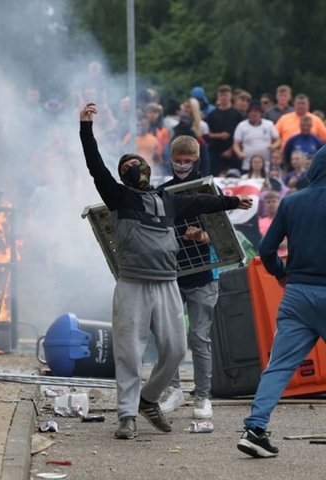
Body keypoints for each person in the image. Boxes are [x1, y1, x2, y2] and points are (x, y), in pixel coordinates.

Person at [79, 103, 253, 440]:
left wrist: (233, 201)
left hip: (166, 284)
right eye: (126, 166)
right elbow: (95, 166)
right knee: (129, 351)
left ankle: (147, 399)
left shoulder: (166, 199)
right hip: (133, 284)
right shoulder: (119, 196)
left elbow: (204, 202)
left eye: (136, 163)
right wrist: (86, 129)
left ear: (146, 167)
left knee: (174, 350)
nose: (132, 167)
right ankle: (127, 415)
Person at [237, 145, 326, 458]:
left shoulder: (291, 202)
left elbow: (266, 250)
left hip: (297, 294)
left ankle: (255, 429)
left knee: (279, 366)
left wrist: (281, 274)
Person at [158, 135, 223, 420]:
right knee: (170, 339)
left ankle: (203, 396)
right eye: (178, 160)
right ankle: (172, 390)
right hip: (172, 275)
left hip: (204, 276)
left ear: (196, 159)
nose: (182, 165)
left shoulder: (208, 191)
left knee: (199, 337)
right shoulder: (162, 193)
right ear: (170, 158)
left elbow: (222, 237)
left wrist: (201, 236)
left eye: (187, 160)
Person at [206, 84, 244, 176]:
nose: (224, 97)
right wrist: (219, 135)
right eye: (221, 95)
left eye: (226, 95)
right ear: (218, 96)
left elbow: (241, 135)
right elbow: (207, 134)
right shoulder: (212, 115)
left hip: (233, 152)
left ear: (230, 96)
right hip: (215, 152)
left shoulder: (237, 115)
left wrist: (231, 150)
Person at [233, 100, 280, 172]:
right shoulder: (241, 125)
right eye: (252, 112)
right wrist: (239, 153)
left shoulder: (269, 124)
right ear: (248, 113)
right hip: (247, 164)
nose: (254, 114)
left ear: (261, 113)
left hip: (266, 164)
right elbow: (236, 144)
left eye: (256, 112)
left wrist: (273, 146)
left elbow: (278, 140)